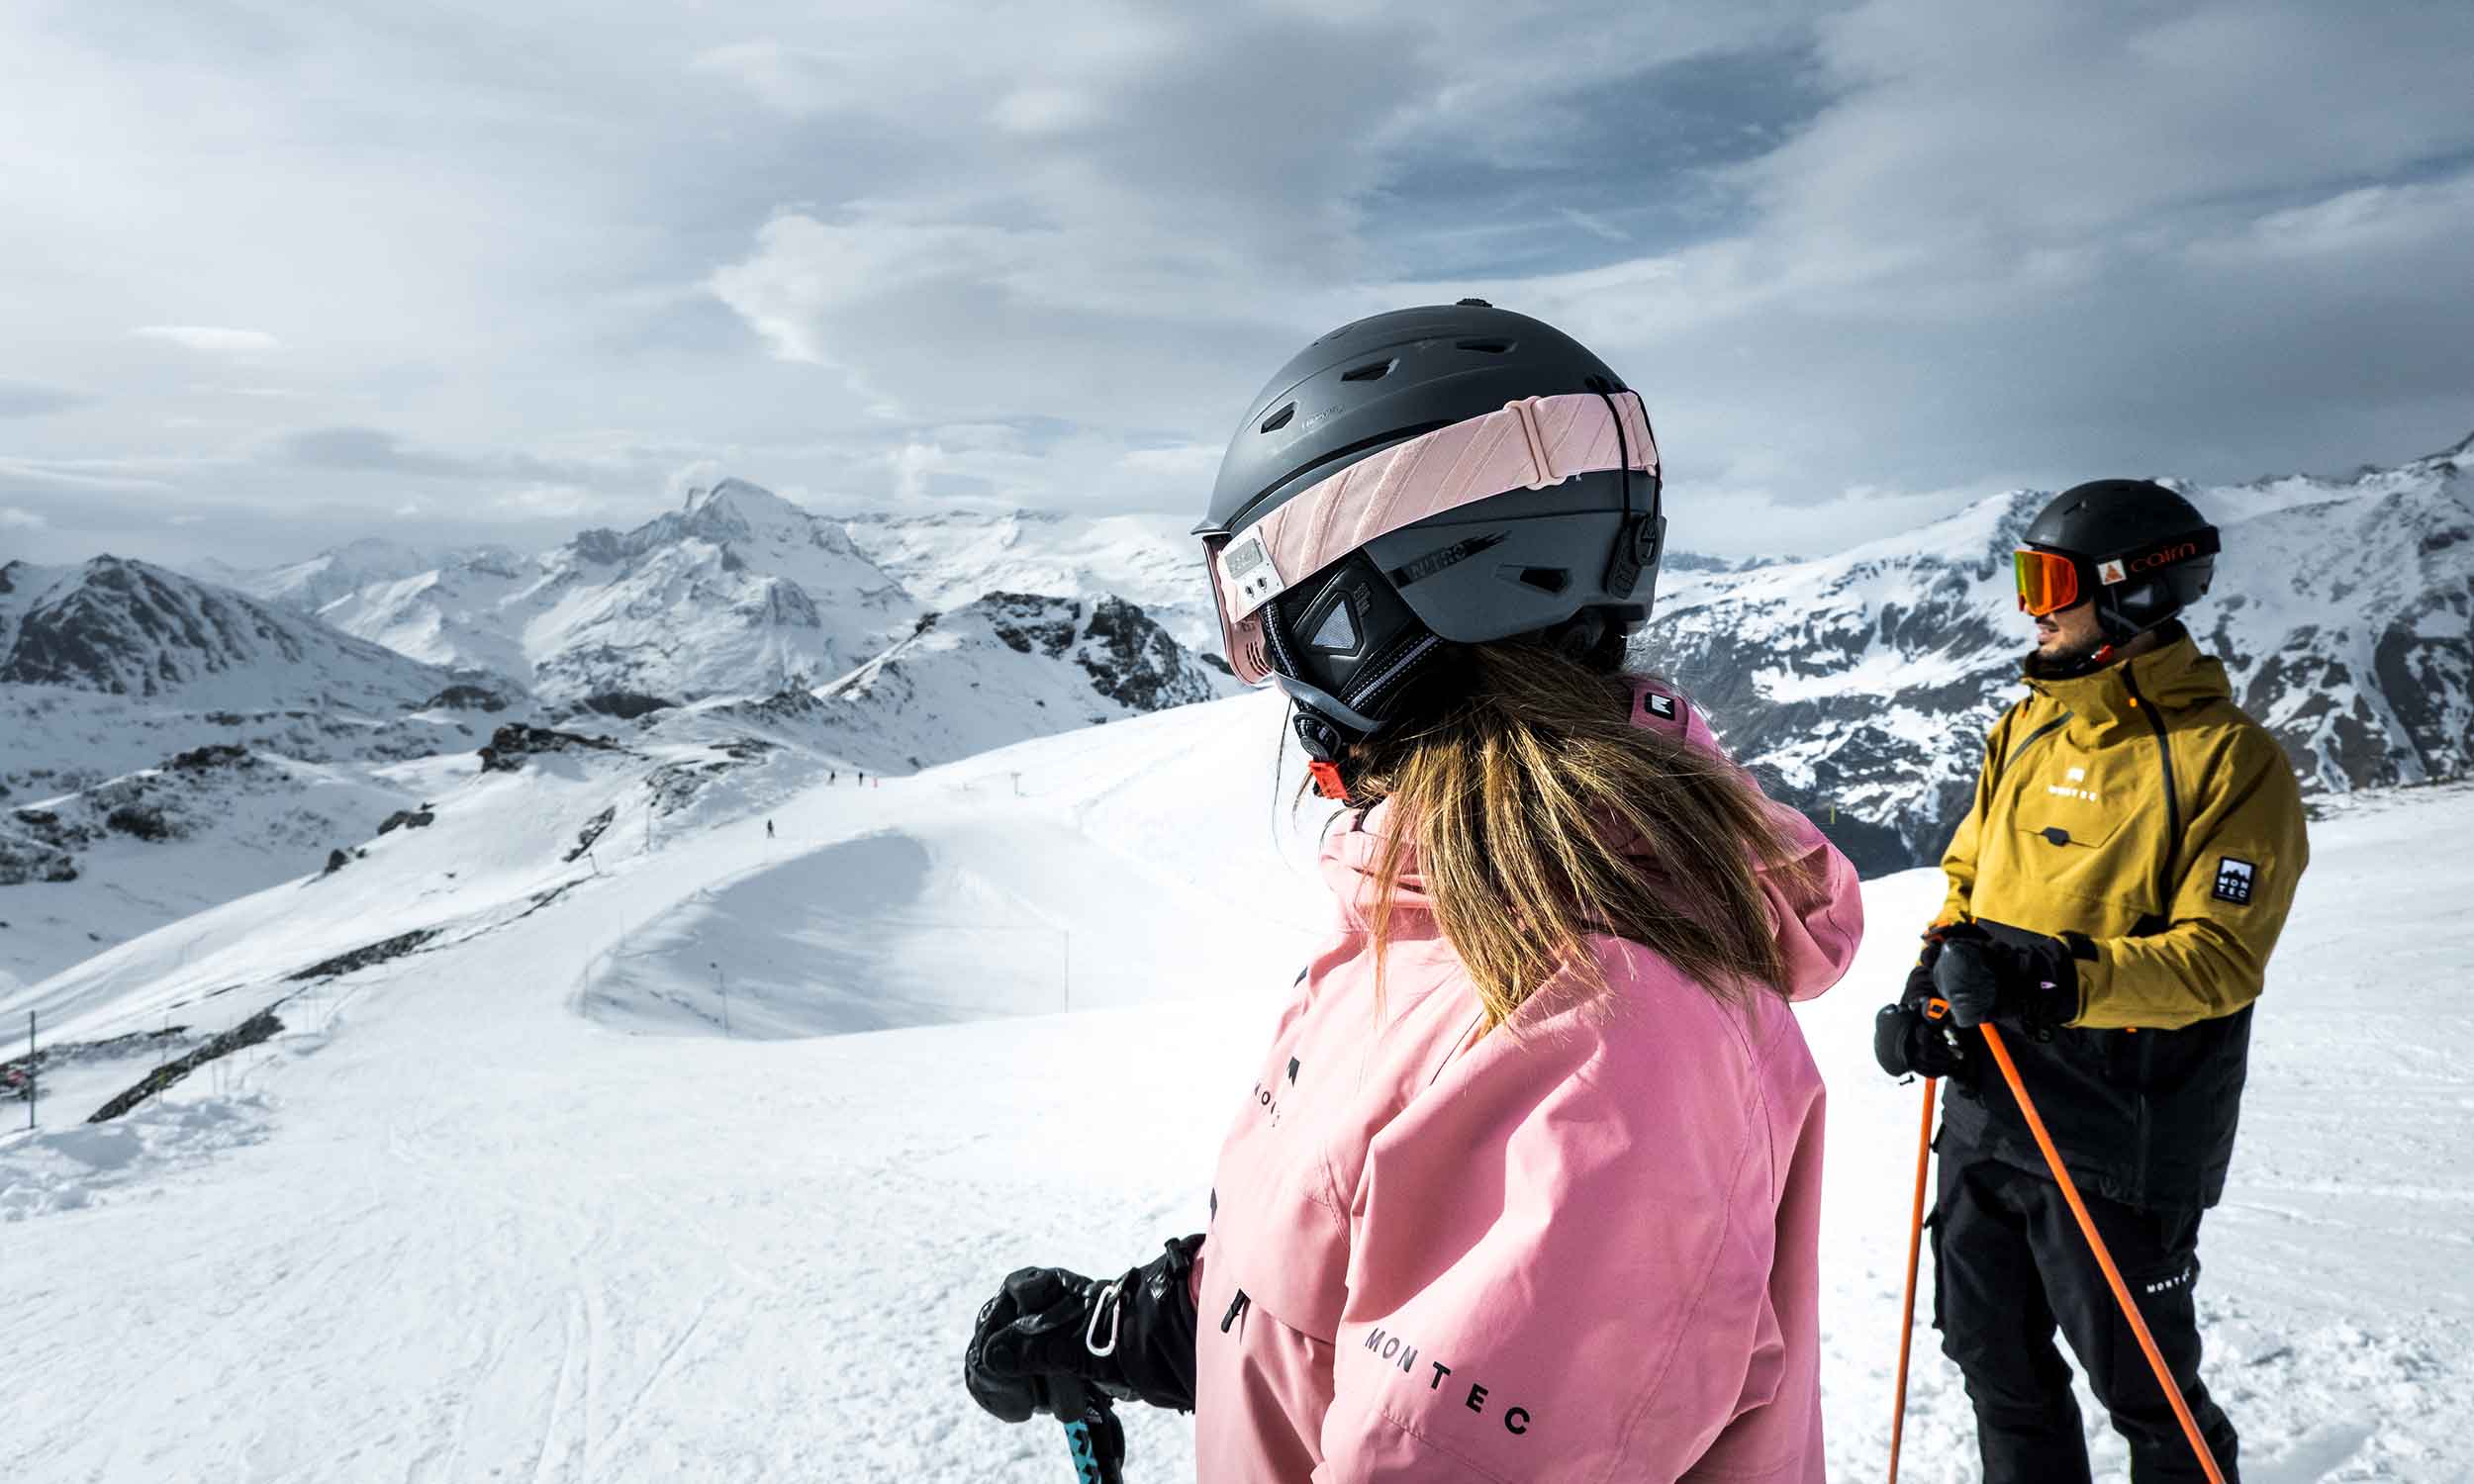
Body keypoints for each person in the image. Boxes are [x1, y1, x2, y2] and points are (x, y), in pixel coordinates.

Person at [963, 302, 1863, 1480]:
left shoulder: (1593, 1034)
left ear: (1405, 594)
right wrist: (1171, 1321)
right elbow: (1386, 1258)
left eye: (1277, 601)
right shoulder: (1453, 919)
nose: (1278, 669)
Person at [1873, 480, 2309, 1483]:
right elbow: (1967, 879)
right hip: (1993, 1103)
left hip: (2124, 1121)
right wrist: (1928, 989)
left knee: (2145, 1391)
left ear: (2132, 593)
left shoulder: (2229, 765)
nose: (2033, 607)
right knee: (1995, 1362)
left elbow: (2218, 960)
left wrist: (2043, 978)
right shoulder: (2023, 728)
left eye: (2050, 582)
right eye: (2026, 578)